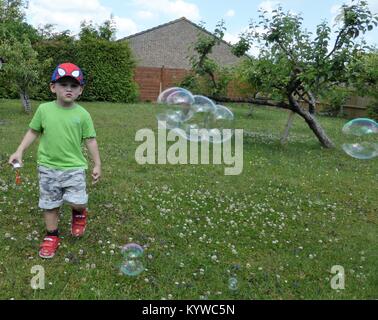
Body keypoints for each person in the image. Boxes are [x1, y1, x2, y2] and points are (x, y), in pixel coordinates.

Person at [8, 62, 101, 259]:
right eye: (63, 84)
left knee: (78, 201)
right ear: (53, 87)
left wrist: (97, 164)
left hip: (74, 168)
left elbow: (90, 140)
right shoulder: (44, 110)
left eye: (74, 85)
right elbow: (33, 131)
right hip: (47, 168)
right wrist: (19, 150)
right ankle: (52, 236)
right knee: (50, 204)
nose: (68, 88)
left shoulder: (83, 114)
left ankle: (78, 214)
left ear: (80, 90)